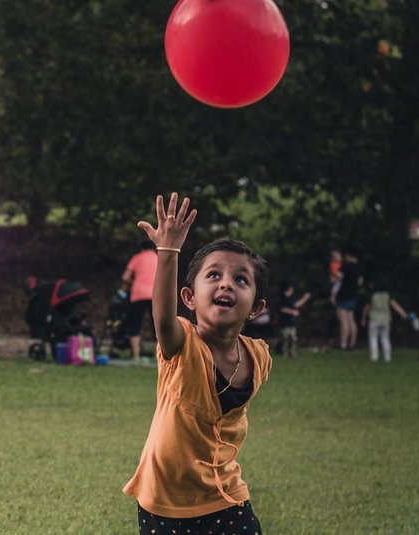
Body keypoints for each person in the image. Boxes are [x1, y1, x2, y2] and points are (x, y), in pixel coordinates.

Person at [124, 193, 271, 534]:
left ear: (255, 308)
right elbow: (162, 317)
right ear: (189, 298)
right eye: (214, 275)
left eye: (241, 279)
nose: (226, 283)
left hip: (225, 495)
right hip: (165, 500)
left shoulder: (259, 357)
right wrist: (169, 250)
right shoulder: (182, 345)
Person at [122, 240, 158, 361]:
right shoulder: (158, 258)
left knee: (135, 324)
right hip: (154, 294)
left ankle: (136, 356)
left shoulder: (137, 257)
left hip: (138, 294)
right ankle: (157, 356)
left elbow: (125, 277)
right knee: (156, 325)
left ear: (142, 249)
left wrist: (134, 282)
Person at [361, 277, 409, 363]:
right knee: (385, 338)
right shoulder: (387, 295)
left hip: (374, 319)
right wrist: (403, 313)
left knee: (373, 338)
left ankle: (374, 357)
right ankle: (387, 357)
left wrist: (364, 318)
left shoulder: (372, 295)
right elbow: (395, 305)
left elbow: (367, 308)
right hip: (386, 319)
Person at [334, 249, 363, 350]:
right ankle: (352, 343)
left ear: (349, 256)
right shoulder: (359, 267)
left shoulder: (346, 266)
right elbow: (360, 282)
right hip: (353, 296)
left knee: (343, 321)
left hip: (343, 296)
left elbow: (338, 276)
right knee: (352, 321)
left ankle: (343, 344)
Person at [277, 280, 311, 358]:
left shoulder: (289, 299)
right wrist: (293, 312)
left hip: (291, 323)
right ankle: (284, 353)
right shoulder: (283, 298)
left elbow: (295, 305)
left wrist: (305, 298)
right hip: (284, 323)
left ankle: (292, 353)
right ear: (289, 289)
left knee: (293, 338)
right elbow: (282, 309)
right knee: (285, 339)